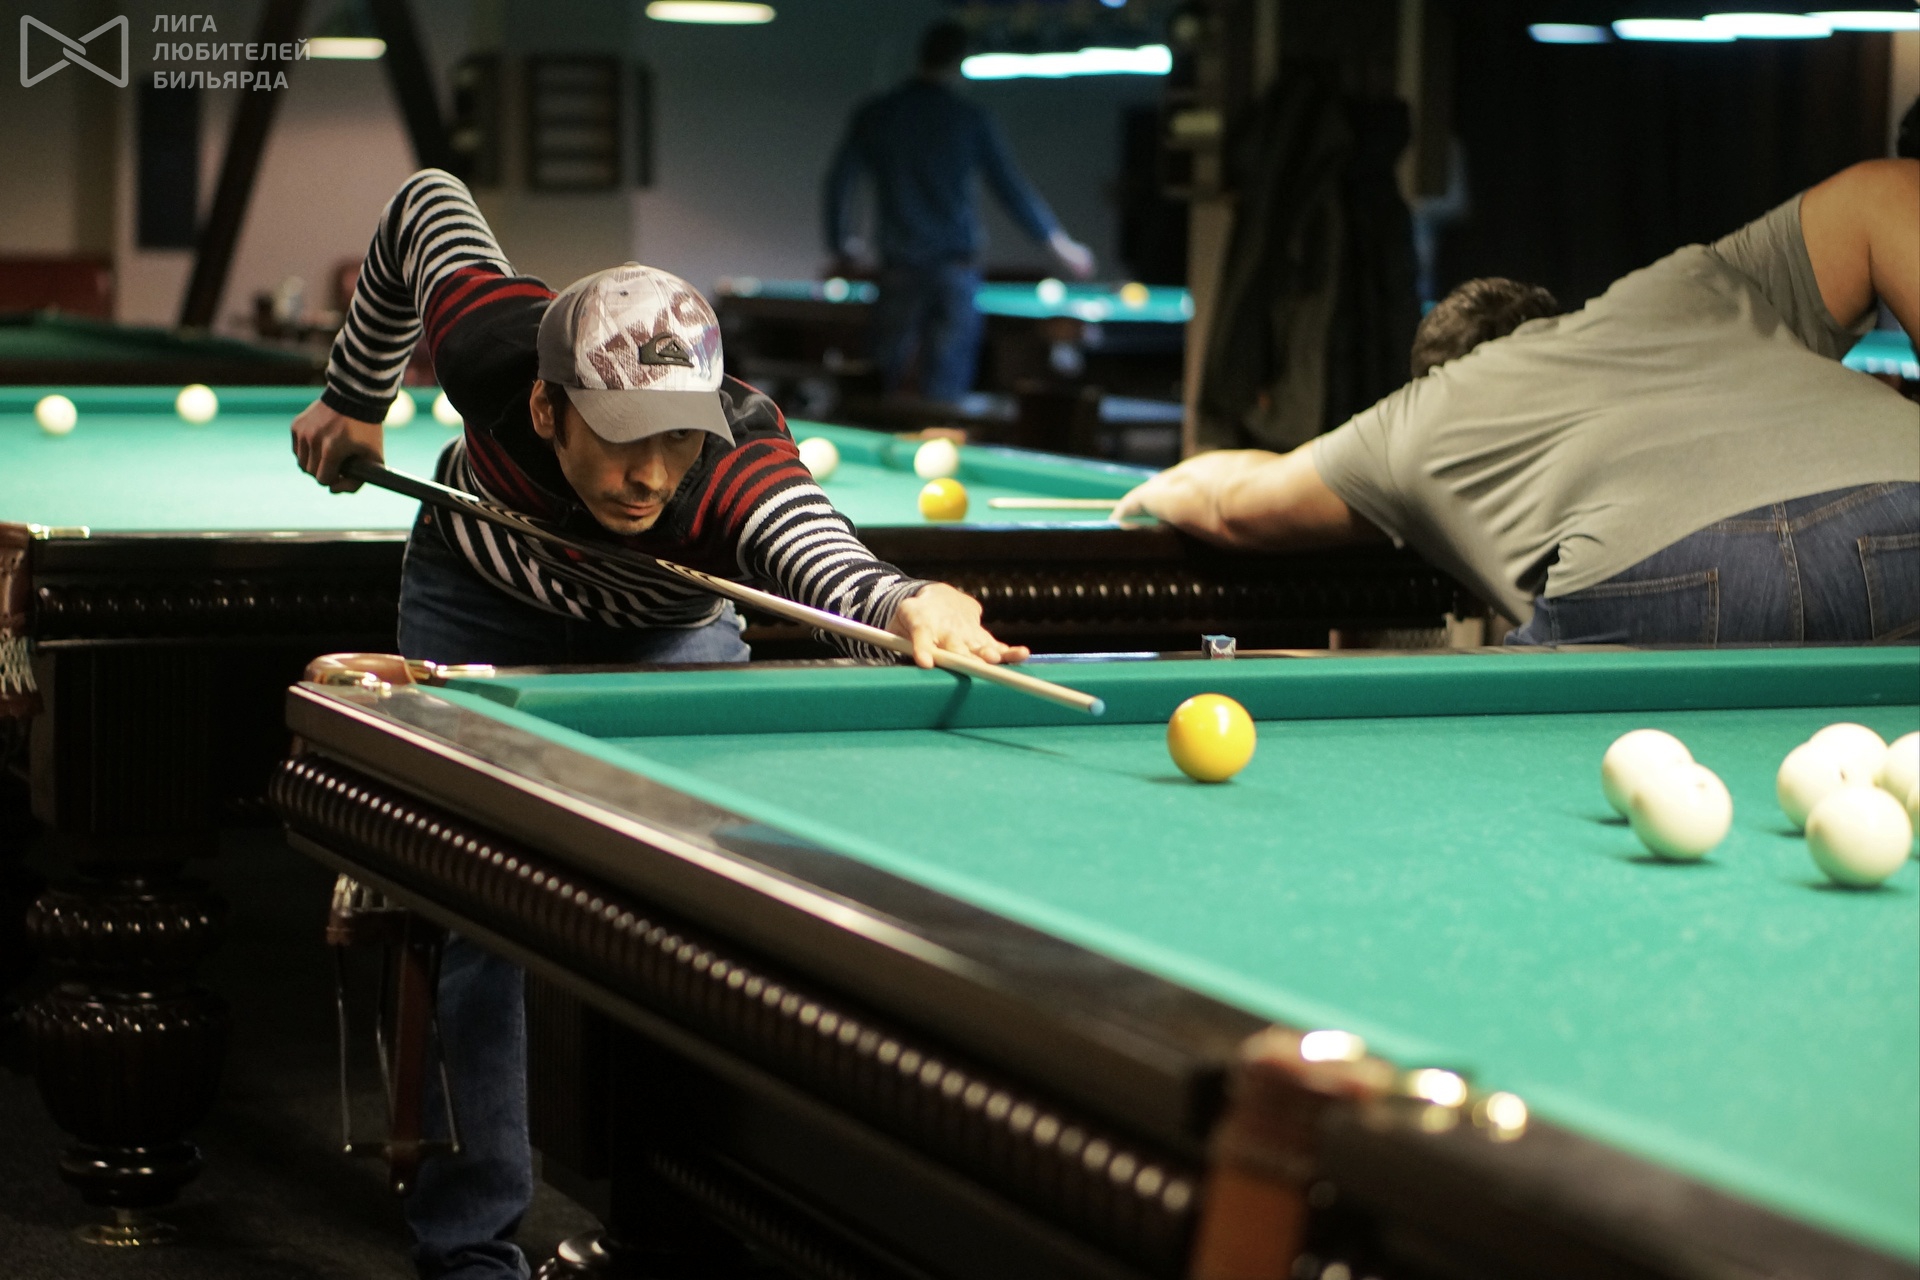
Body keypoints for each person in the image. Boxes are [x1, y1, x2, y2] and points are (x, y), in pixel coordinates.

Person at [292, 169, 1029, 1280]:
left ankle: (668, 1210)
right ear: (548, 408)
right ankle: (469, 1246)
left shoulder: (734, 464)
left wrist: (905, 604)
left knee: (688, 903)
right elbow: (422, 205)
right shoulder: (495, 346)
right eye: (621, 436)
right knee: (476, 903)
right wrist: (357, 394)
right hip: (479, 592)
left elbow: (820, 555)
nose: (649, 476)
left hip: (661, 631)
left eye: (675, 440)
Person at [1114, 159, 1920, 645]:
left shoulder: (1421, 416)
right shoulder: (1680, 286)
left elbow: (1230, 504)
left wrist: (1156, 489)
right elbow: (1883, 193)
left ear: (1435, 374)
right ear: (1554, 320)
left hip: (1661, 572)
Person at [823, 19, 1097, 405]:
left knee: (877, 383)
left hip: (901, 268)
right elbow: (1010, 187)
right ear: (959, 62)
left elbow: (839, 182)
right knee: (945, 391)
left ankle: (868, 422)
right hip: (954, 268)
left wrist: (841, 243)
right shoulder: (968, 117)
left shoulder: (879, 113)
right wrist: (1060, 245)